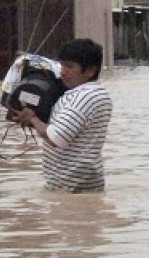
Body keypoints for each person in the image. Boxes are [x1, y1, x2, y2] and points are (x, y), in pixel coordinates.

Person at [13, 38, 113, 193]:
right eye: (62, 64)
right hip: (83, 184)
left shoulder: (83, 97)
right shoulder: (95, 93)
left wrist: (33, 118)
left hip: (72, 187)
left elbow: (57, 138)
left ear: (90, 71)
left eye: (70, 66)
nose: (62, 71)